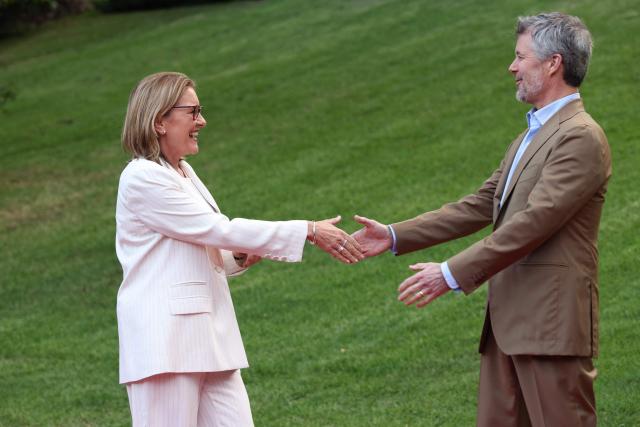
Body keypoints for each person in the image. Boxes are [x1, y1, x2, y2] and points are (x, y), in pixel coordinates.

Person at [353, 12, 610, 426]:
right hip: (508, 325)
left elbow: (533, 222)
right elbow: (482, 202)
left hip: (549, 325)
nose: (512, 67)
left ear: (552, 63)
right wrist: (395, 235)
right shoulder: (532, 134)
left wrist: (450, 273)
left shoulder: (580, 136)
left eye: (520, 56)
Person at [115, 71, 363, 426]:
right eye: (193, 111)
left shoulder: (182, 171)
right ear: (159, 121)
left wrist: (237, 257)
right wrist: (307, 230)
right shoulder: (142, 176)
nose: (202, 121)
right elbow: (216, 229)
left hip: (210, 340)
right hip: (166, 343)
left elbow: (198, 243)